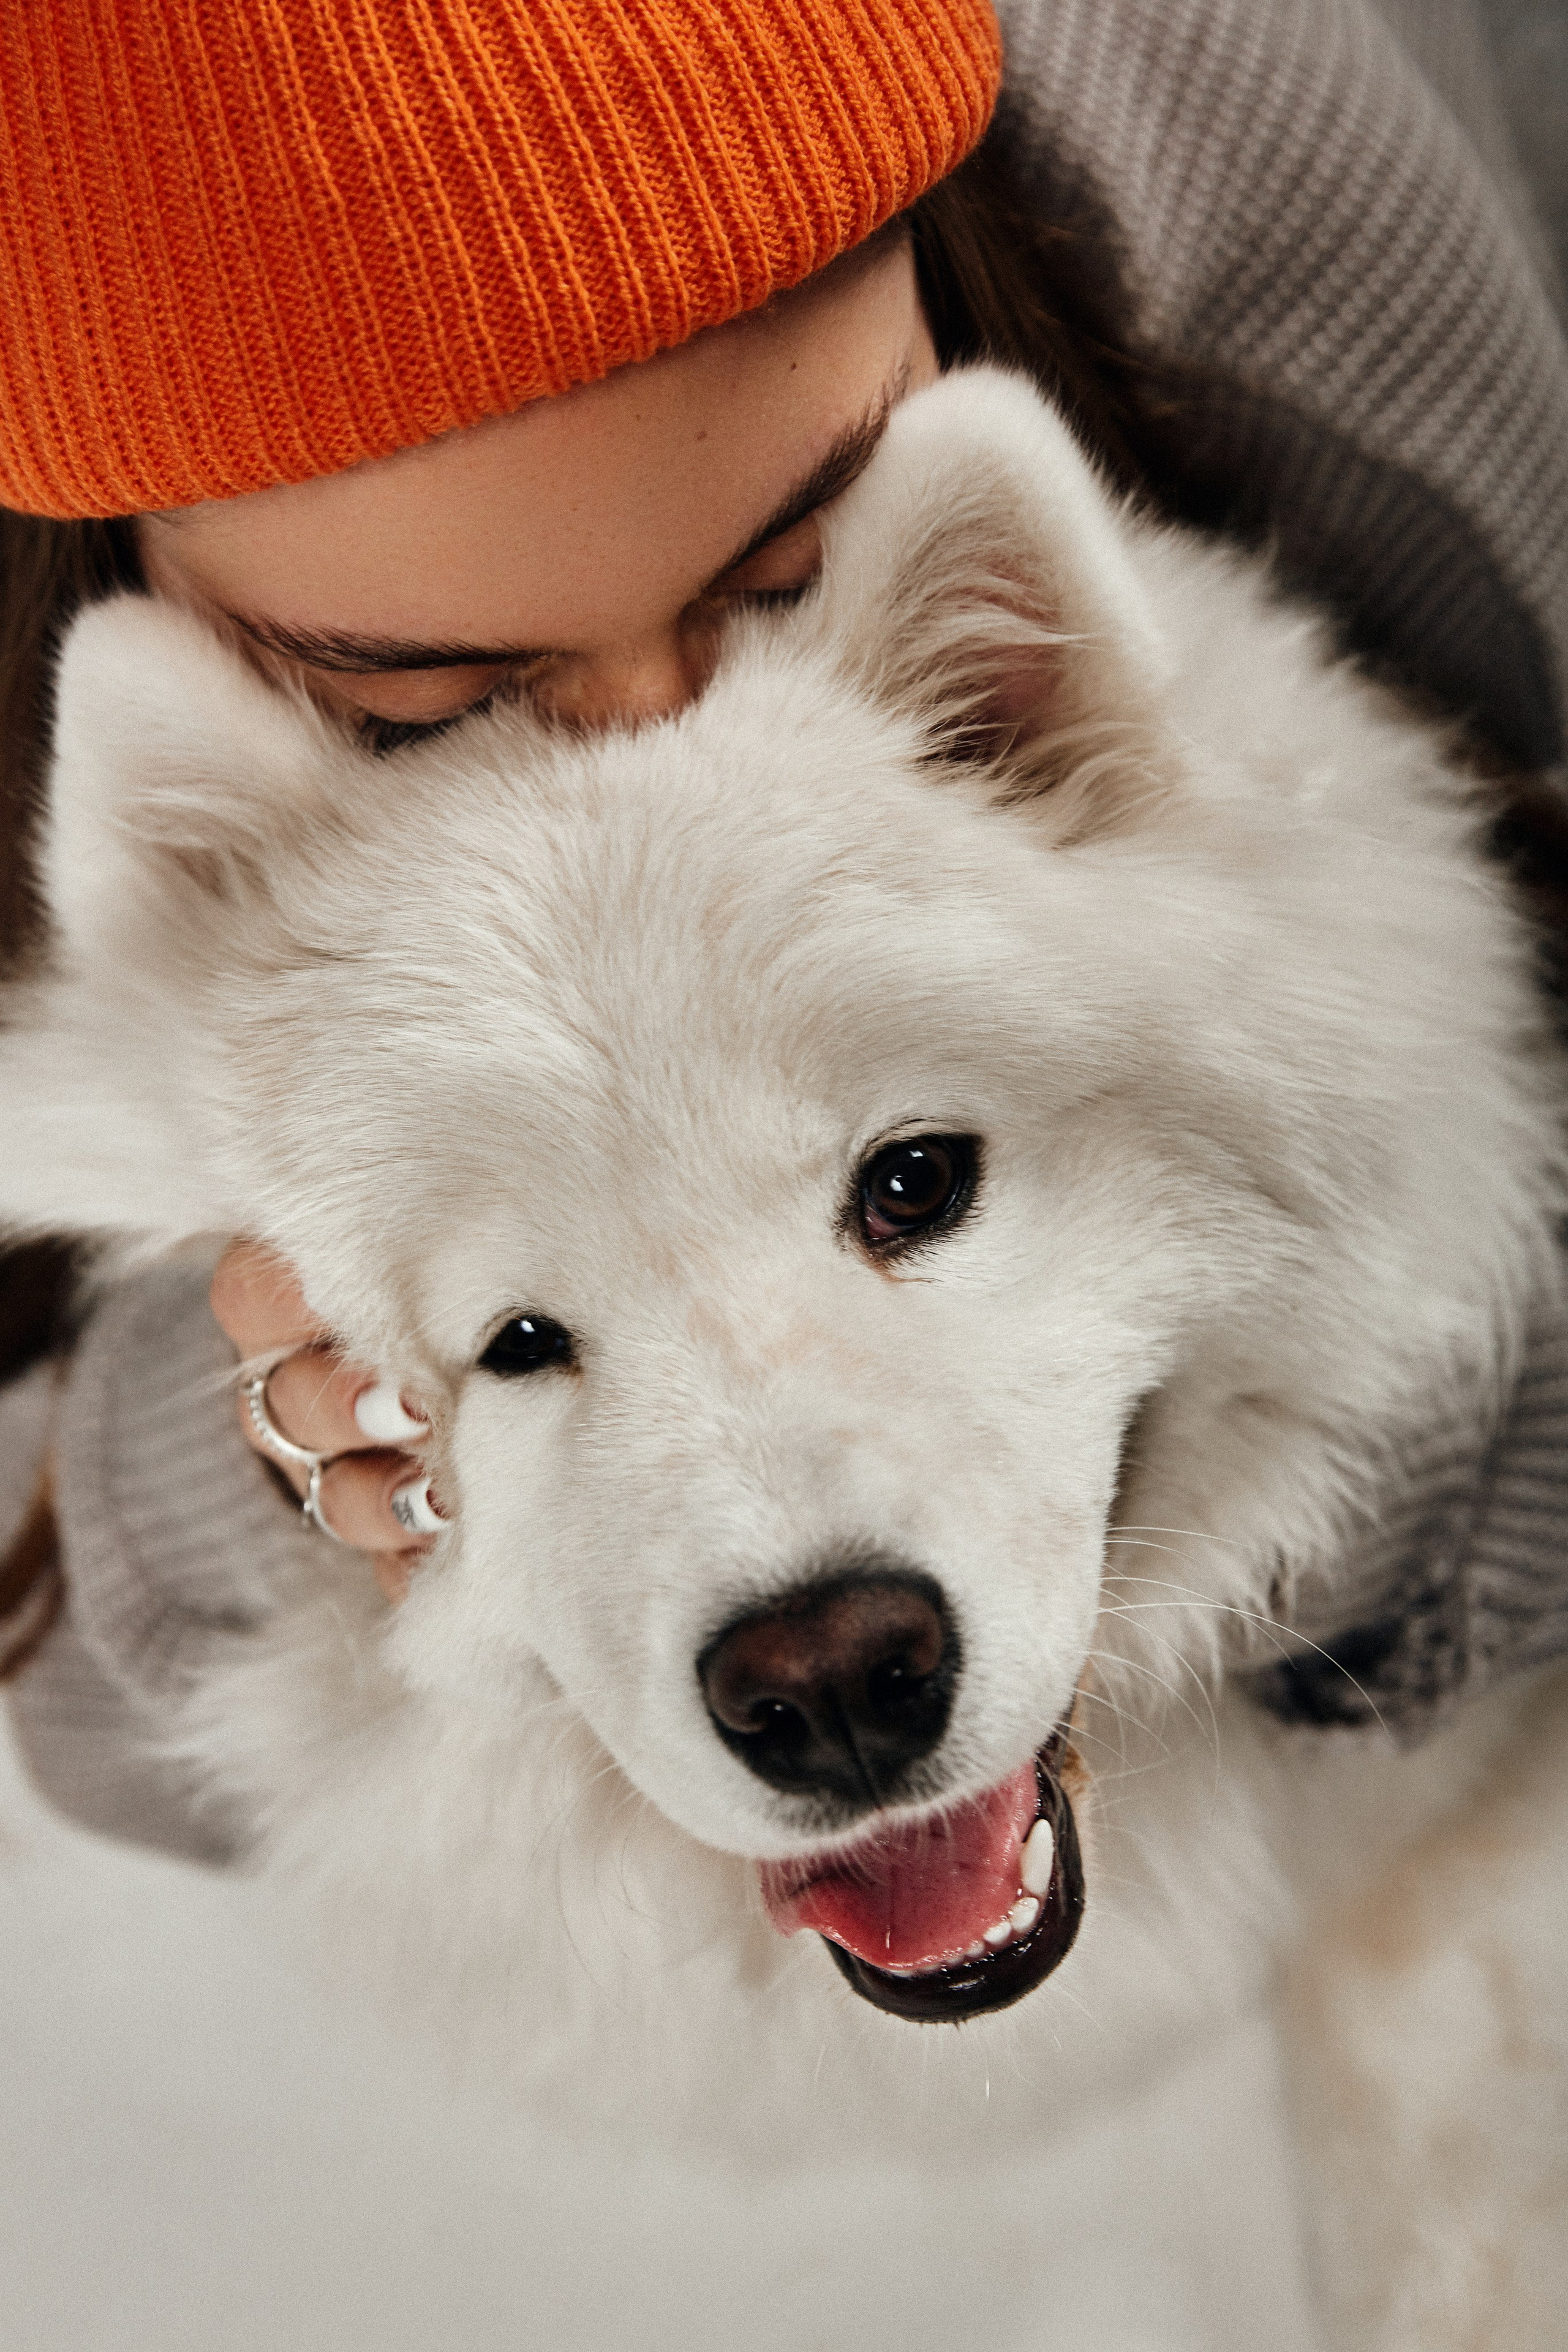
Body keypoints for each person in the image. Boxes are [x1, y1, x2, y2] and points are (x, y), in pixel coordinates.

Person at [1, 0, 1566, 1855]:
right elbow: (101, 1737)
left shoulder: (1380, 403)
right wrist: (277, 1443)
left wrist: (1371, 1419)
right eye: (430, 716)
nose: (665, 774)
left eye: (790, 580)